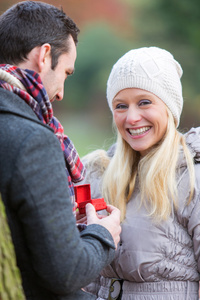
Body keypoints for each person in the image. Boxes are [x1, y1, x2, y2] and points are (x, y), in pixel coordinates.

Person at [0, 1, 121, 300]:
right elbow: (66, 273)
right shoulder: (33, 141)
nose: (62, 93)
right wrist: (103, 234)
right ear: (44, 56)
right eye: (66, 72)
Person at [78, 47, 200, 299]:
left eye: (144, 102)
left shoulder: (193, 177)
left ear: (169, 107)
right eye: (121, 106)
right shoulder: (96, 174)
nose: (132, 117)